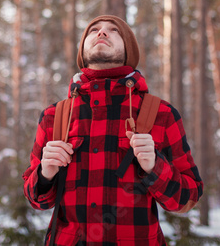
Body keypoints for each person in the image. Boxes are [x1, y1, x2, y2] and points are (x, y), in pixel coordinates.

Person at [23, 15, 203, 245]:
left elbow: (188, 198)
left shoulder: (161, 113)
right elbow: (37, 200)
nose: (102, 33)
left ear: (129, 48)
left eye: (113, 30)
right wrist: (45, 173)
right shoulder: (55, 116)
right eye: (94, 30)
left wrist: (154, 167)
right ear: (83, 49)